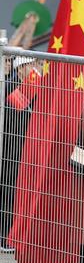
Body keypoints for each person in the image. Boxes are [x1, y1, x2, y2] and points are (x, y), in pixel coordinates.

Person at [1, 57, 41, 252]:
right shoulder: (13, 88)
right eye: (31, 65)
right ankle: (4, 237)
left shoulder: (20, 87)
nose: (34, 69)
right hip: (11, 149)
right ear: (22, 68)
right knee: (9, 192)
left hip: (16, 148)